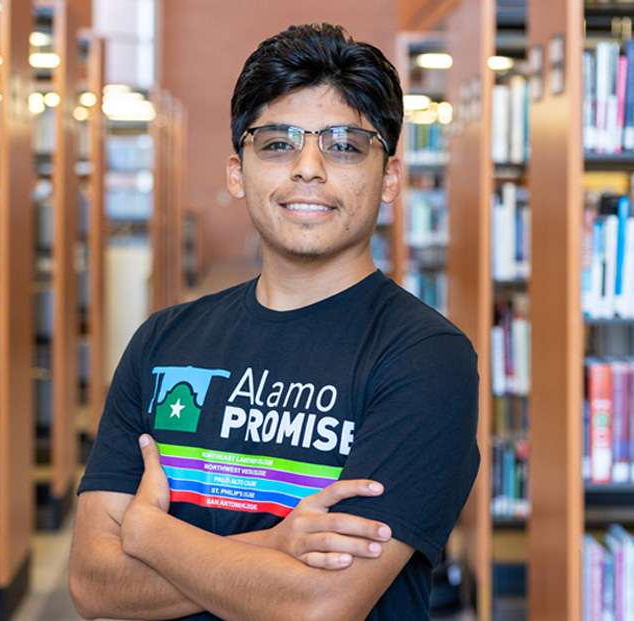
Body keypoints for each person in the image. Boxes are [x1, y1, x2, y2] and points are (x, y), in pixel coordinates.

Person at [69, 23, 479, 621]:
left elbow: (320, 605)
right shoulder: (163, 342)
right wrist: (275, 546)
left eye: (343, 144)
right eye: (278, 143)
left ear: (389, 177)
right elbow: (92, 582)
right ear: (238, 172)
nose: (308, 168)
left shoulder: (426, 359)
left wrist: (150, 535)